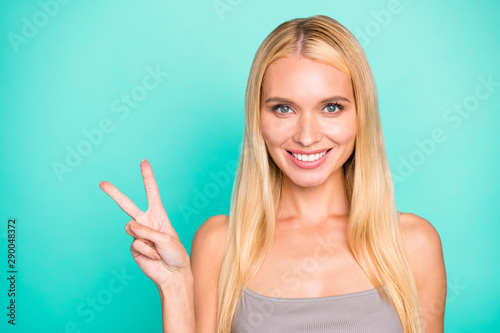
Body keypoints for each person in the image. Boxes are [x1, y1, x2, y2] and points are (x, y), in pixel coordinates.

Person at [99, 15, 446, 333]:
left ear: (360, 115)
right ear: (258, 119)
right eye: (283, 108)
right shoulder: (221, 243)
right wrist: (174, 285)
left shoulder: (413, 243)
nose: (307, 136)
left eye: (331, 107)